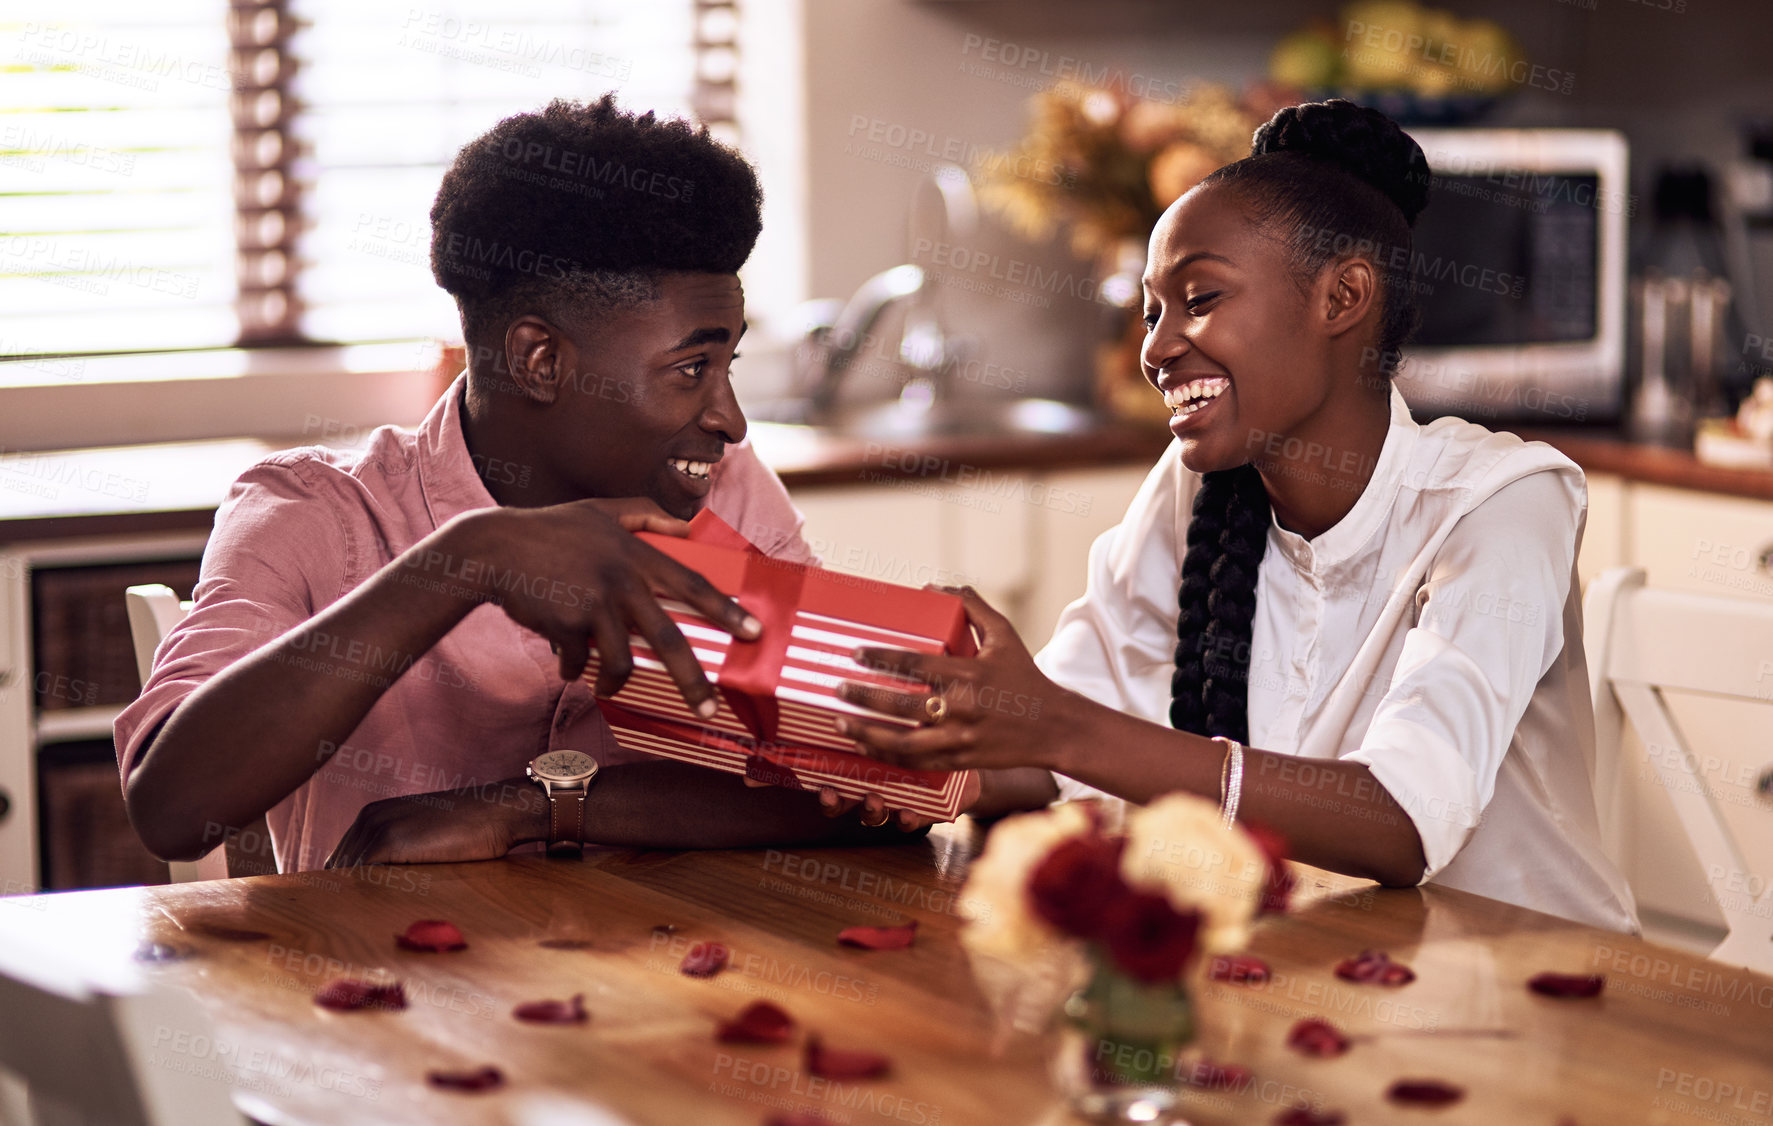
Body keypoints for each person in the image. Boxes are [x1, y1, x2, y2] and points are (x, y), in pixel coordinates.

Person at [116, 96, 1045, 874]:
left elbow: (847, 788)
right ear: (540, 359)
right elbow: (174, 807)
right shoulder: (314, 513)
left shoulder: (725, 488)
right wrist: (463, 563)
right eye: (690, 369)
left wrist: (535, 807)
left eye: (729, 366)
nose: (730, 419)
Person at [836, 100, 1639, 933]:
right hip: (1324, 968)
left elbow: (1401, 821)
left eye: (1200, 297)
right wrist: (929, 760)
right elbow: (1062, 736)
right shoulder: (1198, 486)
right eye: (1152, 311)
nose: (1154, 347)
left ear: (1342, 297)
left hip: (1541, 993)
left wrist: (1053, 727)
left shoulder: (1501, 501)